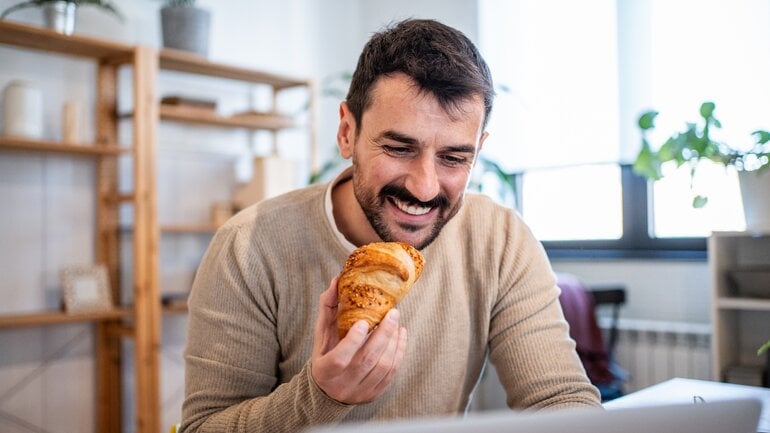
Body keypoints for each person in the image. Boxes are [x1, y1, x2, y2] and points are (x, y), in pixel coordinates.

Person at [180, 18, 601, 433]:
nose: (424, 186)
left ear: (478, 149)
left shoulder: (499, 239)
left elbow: (560, 402)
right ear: (347, 133)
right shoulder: (249, 246)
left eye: (454, 158)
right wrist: (321, 396)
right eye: (399, 148)